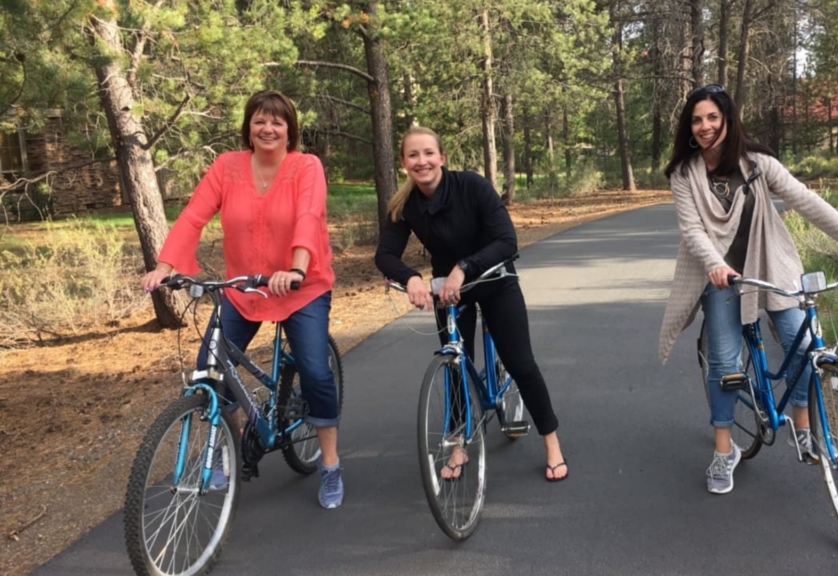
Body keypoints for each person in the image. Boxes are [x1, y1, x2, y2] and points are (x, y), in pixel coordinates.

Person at [657, 84, 838, 495]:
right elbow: (692, 230)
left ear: (728, 120)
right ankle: (725, 449)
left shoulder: (758, 163)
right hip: (721, 275)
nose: (705, 126)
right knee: (724, 364)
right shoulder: (684, 174)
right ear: (689, 128)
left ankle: (803, 427)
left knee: (804, 345)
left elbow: (806, 200)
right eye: (697, 120)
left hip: (769, 264)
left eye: (713, 117)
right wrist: (715, 265)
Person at [140, 90, 343, 509]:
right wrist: (164, 266)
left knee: (313, 370)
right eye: (259, 121)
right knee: (211, 370)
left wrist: (297, 269)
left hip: (300, 286)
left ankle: (330, 463)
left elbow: (309, 216)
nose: (268, 129)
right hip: (245, 286)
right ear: (248, 127)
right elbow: (194, 215)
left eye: (277, 122)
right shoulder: (227, 167)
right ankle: (226, 450)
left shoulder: (306, 166)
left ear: (290, 130)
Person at [374, 126, 569, 482]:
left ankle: (551, 442)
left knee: (521, 363)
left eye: (428, 153)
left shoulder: (471, 186)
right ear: (404, 163)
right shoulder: (406, 205)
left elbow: (507, 240)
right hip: (449, 292)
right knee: (456, 367)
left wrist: (464, 267)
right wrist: (411, 278)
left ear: (442, 157)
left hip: (494, 280)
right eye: (413, 155)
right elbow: (385, 254)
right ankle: (459, 446)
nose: (422, 161)